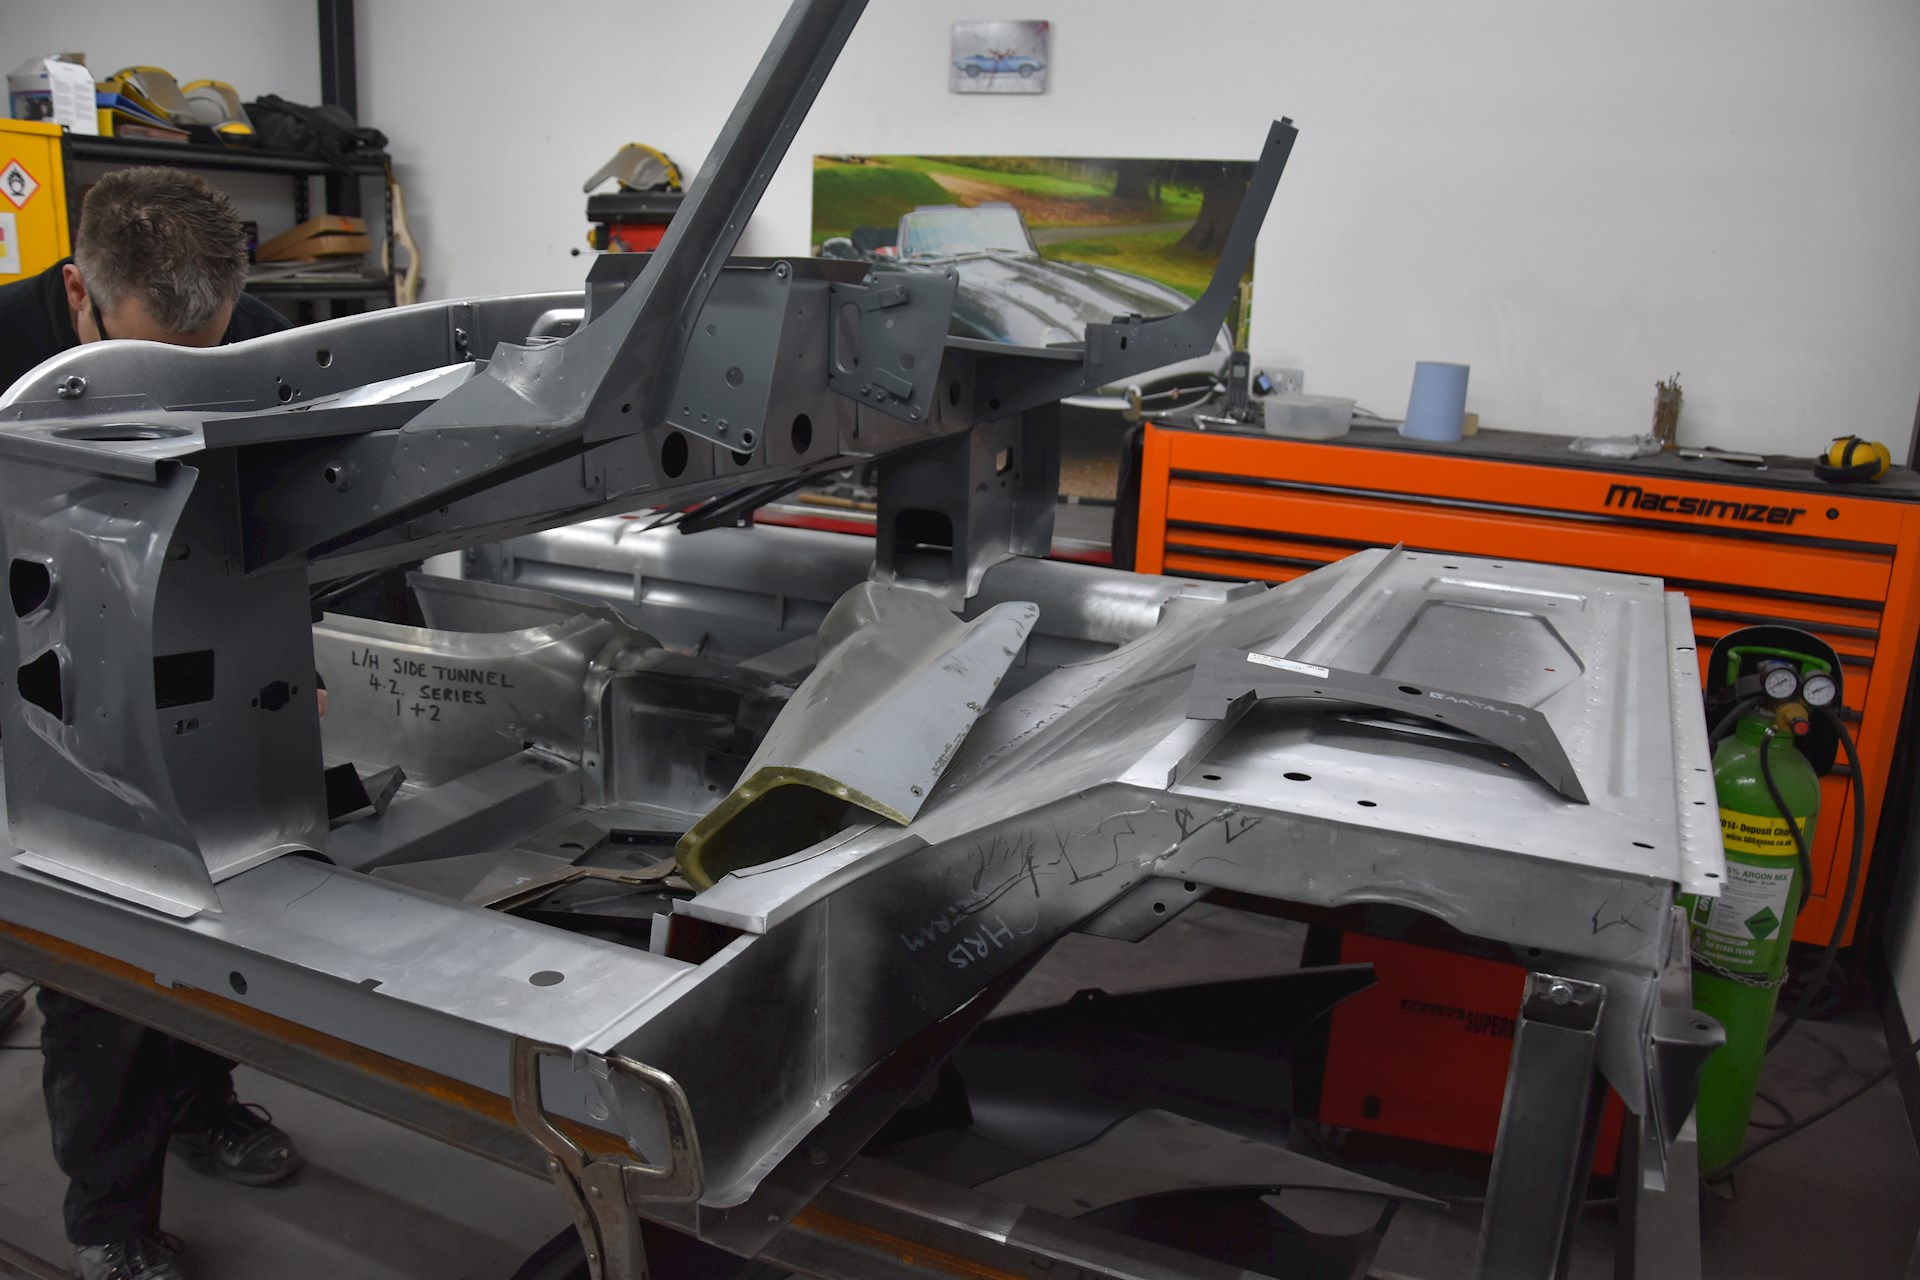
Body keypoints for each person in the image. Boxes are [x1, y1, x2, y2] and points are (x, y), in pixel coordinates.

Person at [0, 167, 302, 1280]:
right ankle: (109, 1221)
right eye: (150, 356)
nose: (180, 383)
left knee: (214, 904)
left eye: (200, 355)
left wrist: (349, 646)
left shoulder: (251, 339)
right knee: (100, 947)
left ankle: (199, 1103)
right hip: (35, 675)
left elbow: (315, 497)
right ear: (79, 290)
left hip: (187, 655)